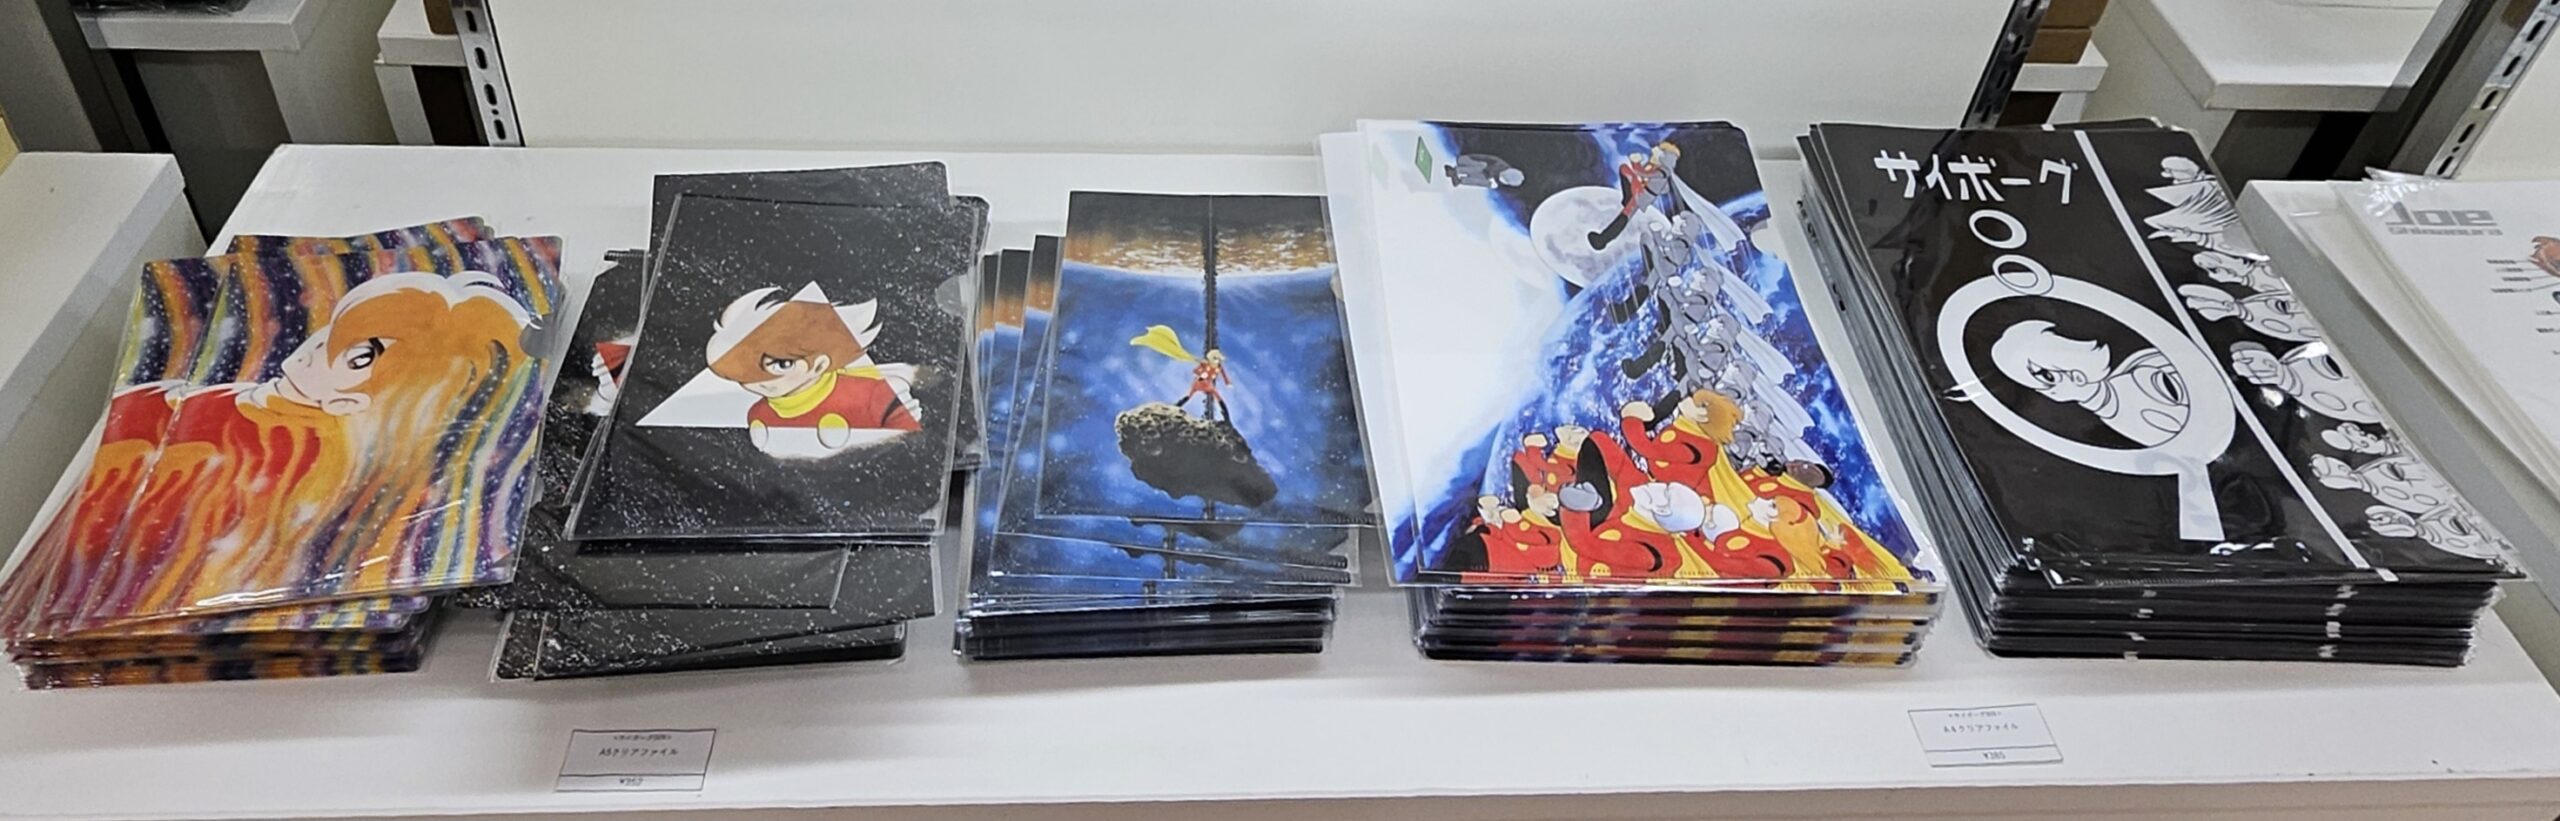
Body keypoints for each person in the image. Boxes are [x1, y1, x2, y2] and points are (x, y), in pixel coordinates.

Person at [706, 284, 922, 456]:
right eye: (742, 373)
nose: (759, 381)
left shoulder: (872, 395)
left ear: (819, 364)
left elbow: (909, 442)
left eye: (782, 365)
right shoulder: (758, 414)